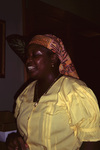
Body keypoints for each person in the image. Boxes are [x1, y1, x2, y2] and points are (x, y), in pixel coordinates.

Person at [6, 34, 100, 150]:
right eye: (27, 56)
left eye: (35, 55)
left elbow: (92, 141)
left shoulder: (75, 91)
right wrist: (15, 138)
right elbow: (25, 132)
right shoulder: (25, 93)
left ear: (53, 58)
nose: (28, 61)